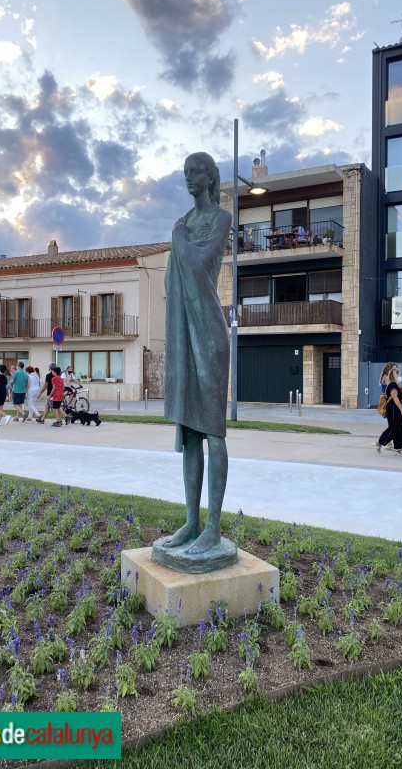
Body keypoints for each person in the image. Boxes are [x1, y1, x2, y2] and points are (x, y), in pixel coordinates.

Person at [163, 152, 231, 555]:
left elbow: (198, 264)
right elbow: (171, 283)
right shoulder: (183, 223)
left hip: (210, 334)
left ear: (209, 177)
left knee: (214, 433)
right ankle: (191, 522)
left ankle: (213, 528)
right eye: (185, 172)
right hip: (186, 334)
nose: (189, 178)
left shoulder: (219, 220)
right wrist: (179, 238)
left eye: (195, 172)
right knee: (190, 433)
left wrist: (179, 240)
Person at [375, 366, 402, 456]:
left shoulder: (395, 385)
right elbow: (394, 397)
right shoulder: (392, 385)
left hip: (395, 408)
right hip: (393, 409)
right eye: (399, 374)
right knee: (394, 427)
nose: (401, 376)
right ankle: (380, 442)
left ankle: (398, 448)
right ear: (395, 375)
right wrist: (401, 409)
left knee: (399, 427)